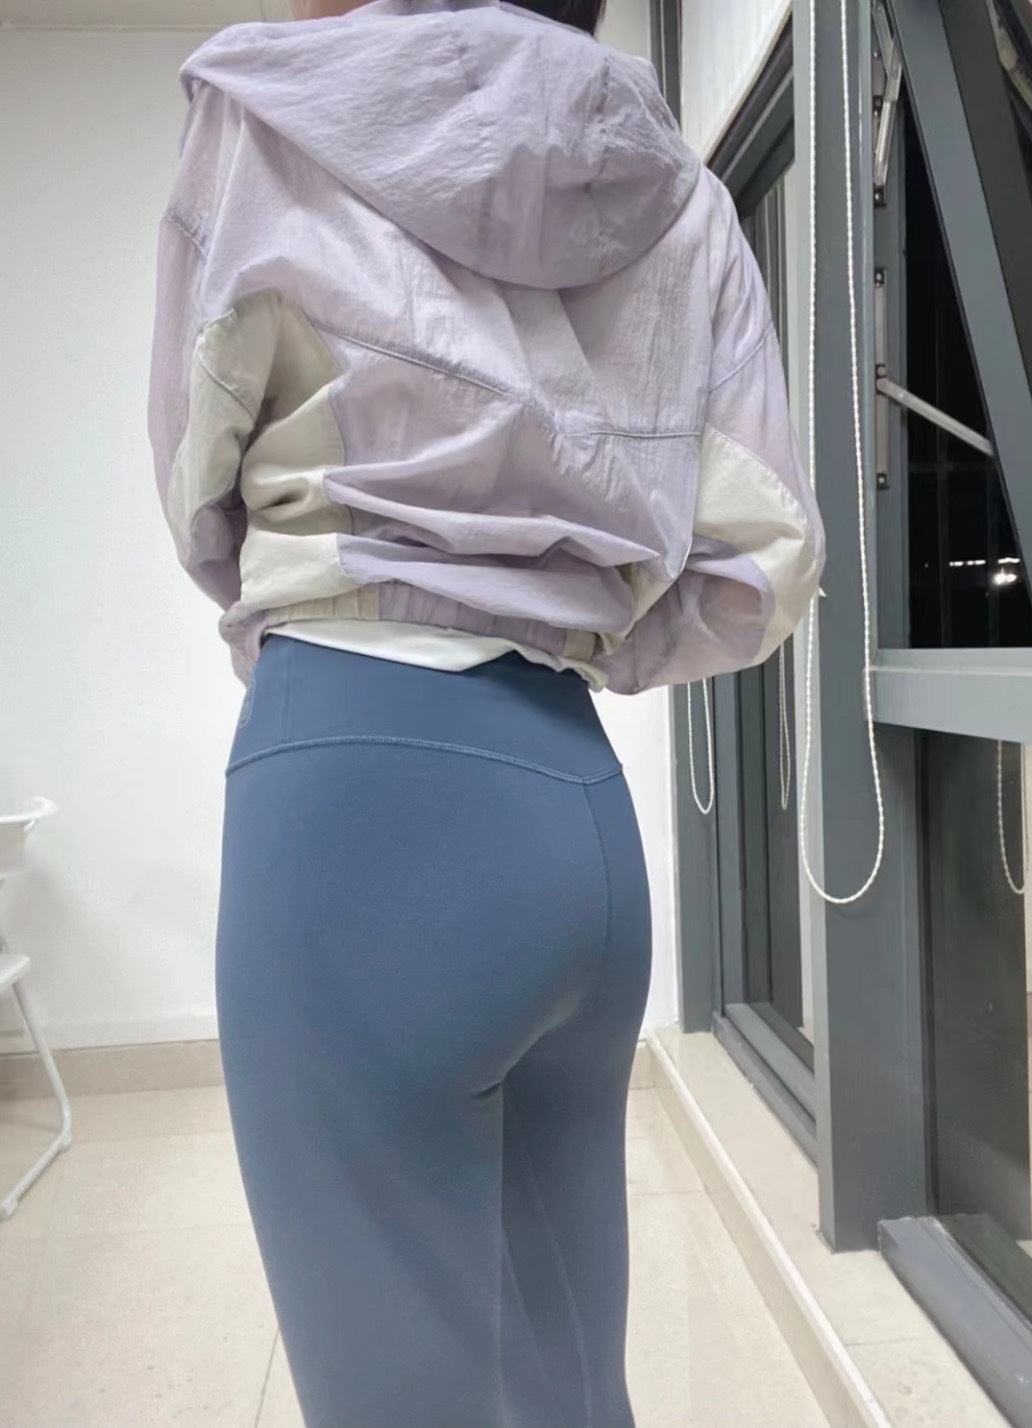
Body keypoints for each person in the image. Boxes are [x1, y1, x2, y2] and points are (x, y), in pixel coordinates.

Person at [147, 0, 824, 1424]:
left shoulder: (268, 114)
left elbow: (194, 466)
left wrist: (325, 598)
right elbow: (765, 558)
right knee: (569, 1380)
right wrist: (577, 623)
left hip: (350, 788)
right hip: (570, 799)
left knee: (398, 1395)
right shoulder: (680, 195)